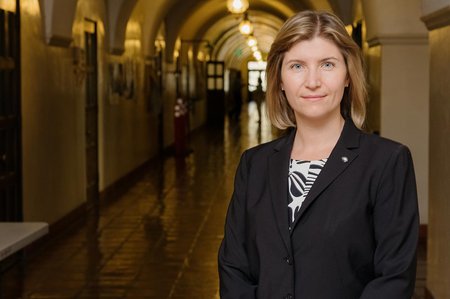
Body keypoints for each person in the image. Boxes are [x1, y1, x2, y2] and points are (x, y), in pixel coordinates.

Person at [218, 10, 419, 299]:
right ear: (280, 80)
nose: (312, 81)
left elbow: (394, 278)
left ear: (348, 75)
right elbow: (234, 265)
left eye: (327, 64)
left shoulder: (387, 163)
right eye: (297, 66)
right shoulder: (254, 165)